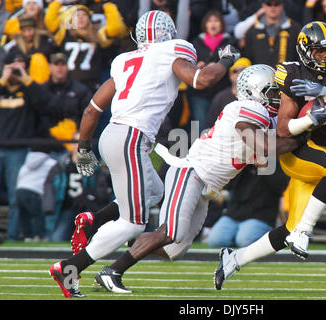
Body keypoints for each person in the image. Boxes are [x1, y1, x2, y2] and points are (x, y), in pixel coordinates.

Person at [48, 10, 241, 298]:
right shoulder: (174, 50)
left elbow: (92, 109)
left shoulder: (125, 60)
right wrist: (226, 60)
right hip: (131, 139)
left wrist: (85, 147)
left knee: (154, 190)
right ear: (169, 33)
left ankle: (94, 220)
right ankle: (69, 268)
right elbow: (201, 80)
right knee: (134, 222)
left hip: (111, 135)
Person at [92, 64, 300, 294]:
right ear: (254, 92)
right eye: (272, 91)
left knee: (173, 250)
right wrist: (299, 138)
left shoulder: (261, 116)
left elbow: (263, 157)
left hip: (205, 184)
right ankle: (112, 271)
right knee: (171, 232)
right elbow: (264, 146)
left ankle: (131, 238)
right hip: (191, 172)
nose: (277, 97)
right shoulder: (249, 108)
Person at [213, 21, 326, 290]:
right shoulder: (291, 73)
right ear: (305, 51)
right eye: (319, 51)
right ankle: (304, 232)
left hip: (320, 152)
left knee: (289, 230)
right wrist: (310, 120)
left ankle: (233, 259)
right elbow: (282, 129)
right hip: (298, 150)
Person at [0, 52, 46, 240]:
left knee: (14, 199)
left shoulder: (29, 89)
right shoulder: (0, 85)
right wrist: (3, 79)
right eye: (13, 65)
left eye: (21, 65)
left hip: (18, 150)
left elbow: (44, 102)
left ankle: (12, 236)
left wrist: (25, 78)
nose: (17, 69)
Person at [44, 1, 128, 91]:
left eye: (84, 15)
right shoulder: (64, 34)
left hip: (91, 84)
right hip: (68, 83)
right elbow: (50, 22)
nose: (81, 18)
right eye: (77, 15)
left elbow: (114, 29)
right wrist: (57, 2)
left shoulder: (98, 35)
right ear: (71, 19)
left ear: (89, 19)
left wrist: (107, 5)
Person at [206, 162, 289, 248]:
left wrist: (264, 167)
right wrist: (241, 164)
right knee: (215, 241)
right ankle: (237, 235)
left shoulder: (273, 159)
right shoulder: (243, 158)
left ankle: (262, 235)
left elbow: (280, 188)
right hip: (234, 213)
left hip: (261, 215)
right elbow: (229, 185)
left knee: (244, 240)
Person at [187, 9, 236, 133]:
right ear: (205, 24)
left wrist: (219, 66)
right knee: (201, 126)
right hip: (200, 93)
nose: (213, 24)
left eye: (216, 21)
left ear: (222, 24)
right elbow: (187, 64)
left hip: (221, 90)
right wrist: (196, 66)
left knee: (221, 126)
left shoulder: (229, 42)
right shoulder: (196, 42)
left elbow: (235, 63)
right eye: (210, 21)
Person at [241, 0, 301, 67]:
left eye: (276, 4)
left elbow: (299, 57)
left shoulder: (295, 28)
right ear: (263, 6)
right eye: (268, 4)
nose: (272, 7)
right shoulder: (252, 30)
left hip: (288, 75)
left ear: (282, 5)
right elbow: (246, 57)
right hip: (259, 75)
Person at [3, 17, 55, 84]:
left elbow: (50, 55)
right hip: (23, 82)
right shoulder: (14, 48)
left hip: (46, 80)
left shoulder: (44, 41)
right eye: (24, 31)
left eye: (29, 30)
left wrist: (26, 59)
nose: (27, 34)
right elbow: (6, 66)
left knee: (38, 58)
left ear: (35, 29)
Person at [204, 56, 251, 129]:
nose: (239, 73)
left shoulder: (256, 97)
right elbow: (210, 124)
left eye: (243, 70)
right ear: (230, 76)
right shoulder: (220, 98)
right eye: (235, 71)